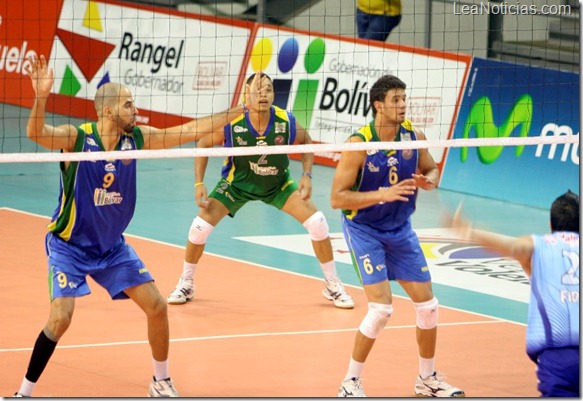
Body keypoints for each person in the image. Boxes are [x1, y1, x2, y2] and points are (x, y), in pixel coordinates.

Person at [14, 55, 254, 397]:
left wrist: (236, 111)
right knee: (61, 318)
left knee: (157, 306)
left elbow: (187, 132)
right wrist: (41, 97)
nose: (135, 110)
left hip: (111, 248)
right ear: (109, 111)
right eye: (129, 105)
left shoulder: (136, 139)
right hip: (69, 246)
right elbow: (36, 133)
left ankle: (161, 381)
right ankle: (24, 392)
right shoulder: (76, 138)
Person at [166, 72, 355, 310]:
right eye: (257, 90)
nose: (262, 94)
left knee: (318, 223)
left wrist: (306, 175)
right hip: (237, 185)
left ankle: (333, 284)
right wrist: (198, 183)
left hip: (278, 185)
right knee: (199, 228)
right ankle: (186, 282)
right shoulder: (233, 122)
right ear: (247, 94)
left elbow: (306, 144)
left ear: (274, 94)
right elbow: (202, 144)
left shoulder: (285, 120)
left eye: (267, 89)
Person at [330, 75, 464, 397]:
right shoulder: (358, 145)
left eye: (404, 98)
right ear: (378, 105)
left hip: (400, 230)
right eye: (395, 100)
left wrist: (428, 181)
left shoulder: (413, 136)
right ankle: (350, 382)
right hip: (365, 230)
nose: (403, 105)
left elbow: (432, 170)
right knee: (381, 310)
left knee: (429, 306)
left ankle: (427, 379)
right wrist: (382, 194)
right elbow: (338, 198)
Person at [449, 191, 580, 397]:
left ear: (550, 225)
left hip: (557, 361)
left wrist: (470, 231)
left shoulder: (538, 246)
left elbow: (507, 246)